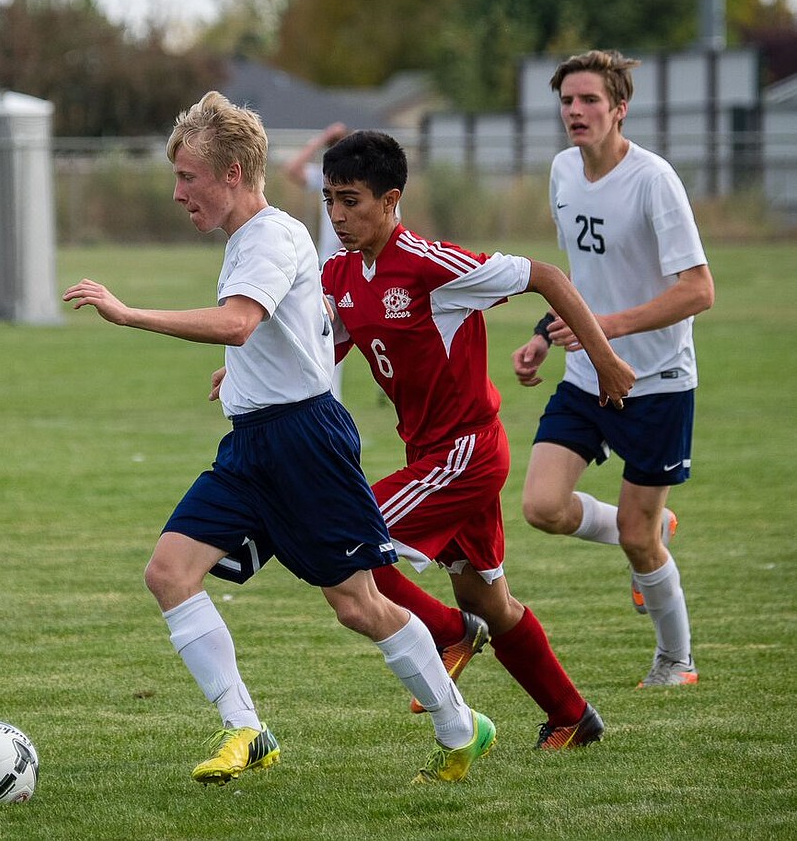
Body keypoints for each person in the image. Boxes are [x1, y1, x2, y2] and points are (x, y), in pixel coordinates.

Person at [63, 92, 495, 785]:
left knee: (358, 603)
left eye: (188, 177)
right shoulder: (252, 239)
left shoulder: (270, 234)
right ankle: (246, 728)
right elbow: (290, 326)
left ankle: (461, 727)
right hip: (253, 442)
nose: (178, 193)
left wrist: (128, 312)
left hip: (305, 444)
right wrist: (242, 374)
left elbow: (239, 321)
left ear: (233, 172)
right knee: (169, 573)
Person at [320, 130, 635, 749]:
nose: (337, 216)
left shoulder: (434, 266)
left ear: (390, 200)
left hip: (465, 452)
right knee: (489, 596)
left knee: (346, 541)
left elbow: (545, 275)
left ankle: (446, 632)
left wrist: (604, 360)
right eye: (330, 199)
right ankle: (573, 716)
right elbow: (325, 348)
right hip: (431, 455)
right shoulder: (340, 273)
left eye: (351, 201)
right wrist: (247, 373)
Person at [511, 49, 714, 688]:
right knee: (541, 506)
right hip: (584, 379)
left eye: (590, 100)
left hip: (658, 383)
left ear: (619, 108)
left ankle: (675, 661)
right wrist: (547, 332)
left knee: (638, 537)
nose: (576, 111)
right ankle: (652, 528)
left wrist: (606, 331)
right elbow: (582, 277)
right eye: (567, 101)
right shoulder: (563, 172)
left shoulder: (654, 180)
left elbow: (699, 290)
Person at [283, 121, 349, 399]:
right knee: (322, 347)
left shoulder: (371, 188)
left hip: (356, 273)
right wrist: (321, 137)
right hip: (327, 275)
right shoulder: (328, 177)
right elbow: (292, 170)